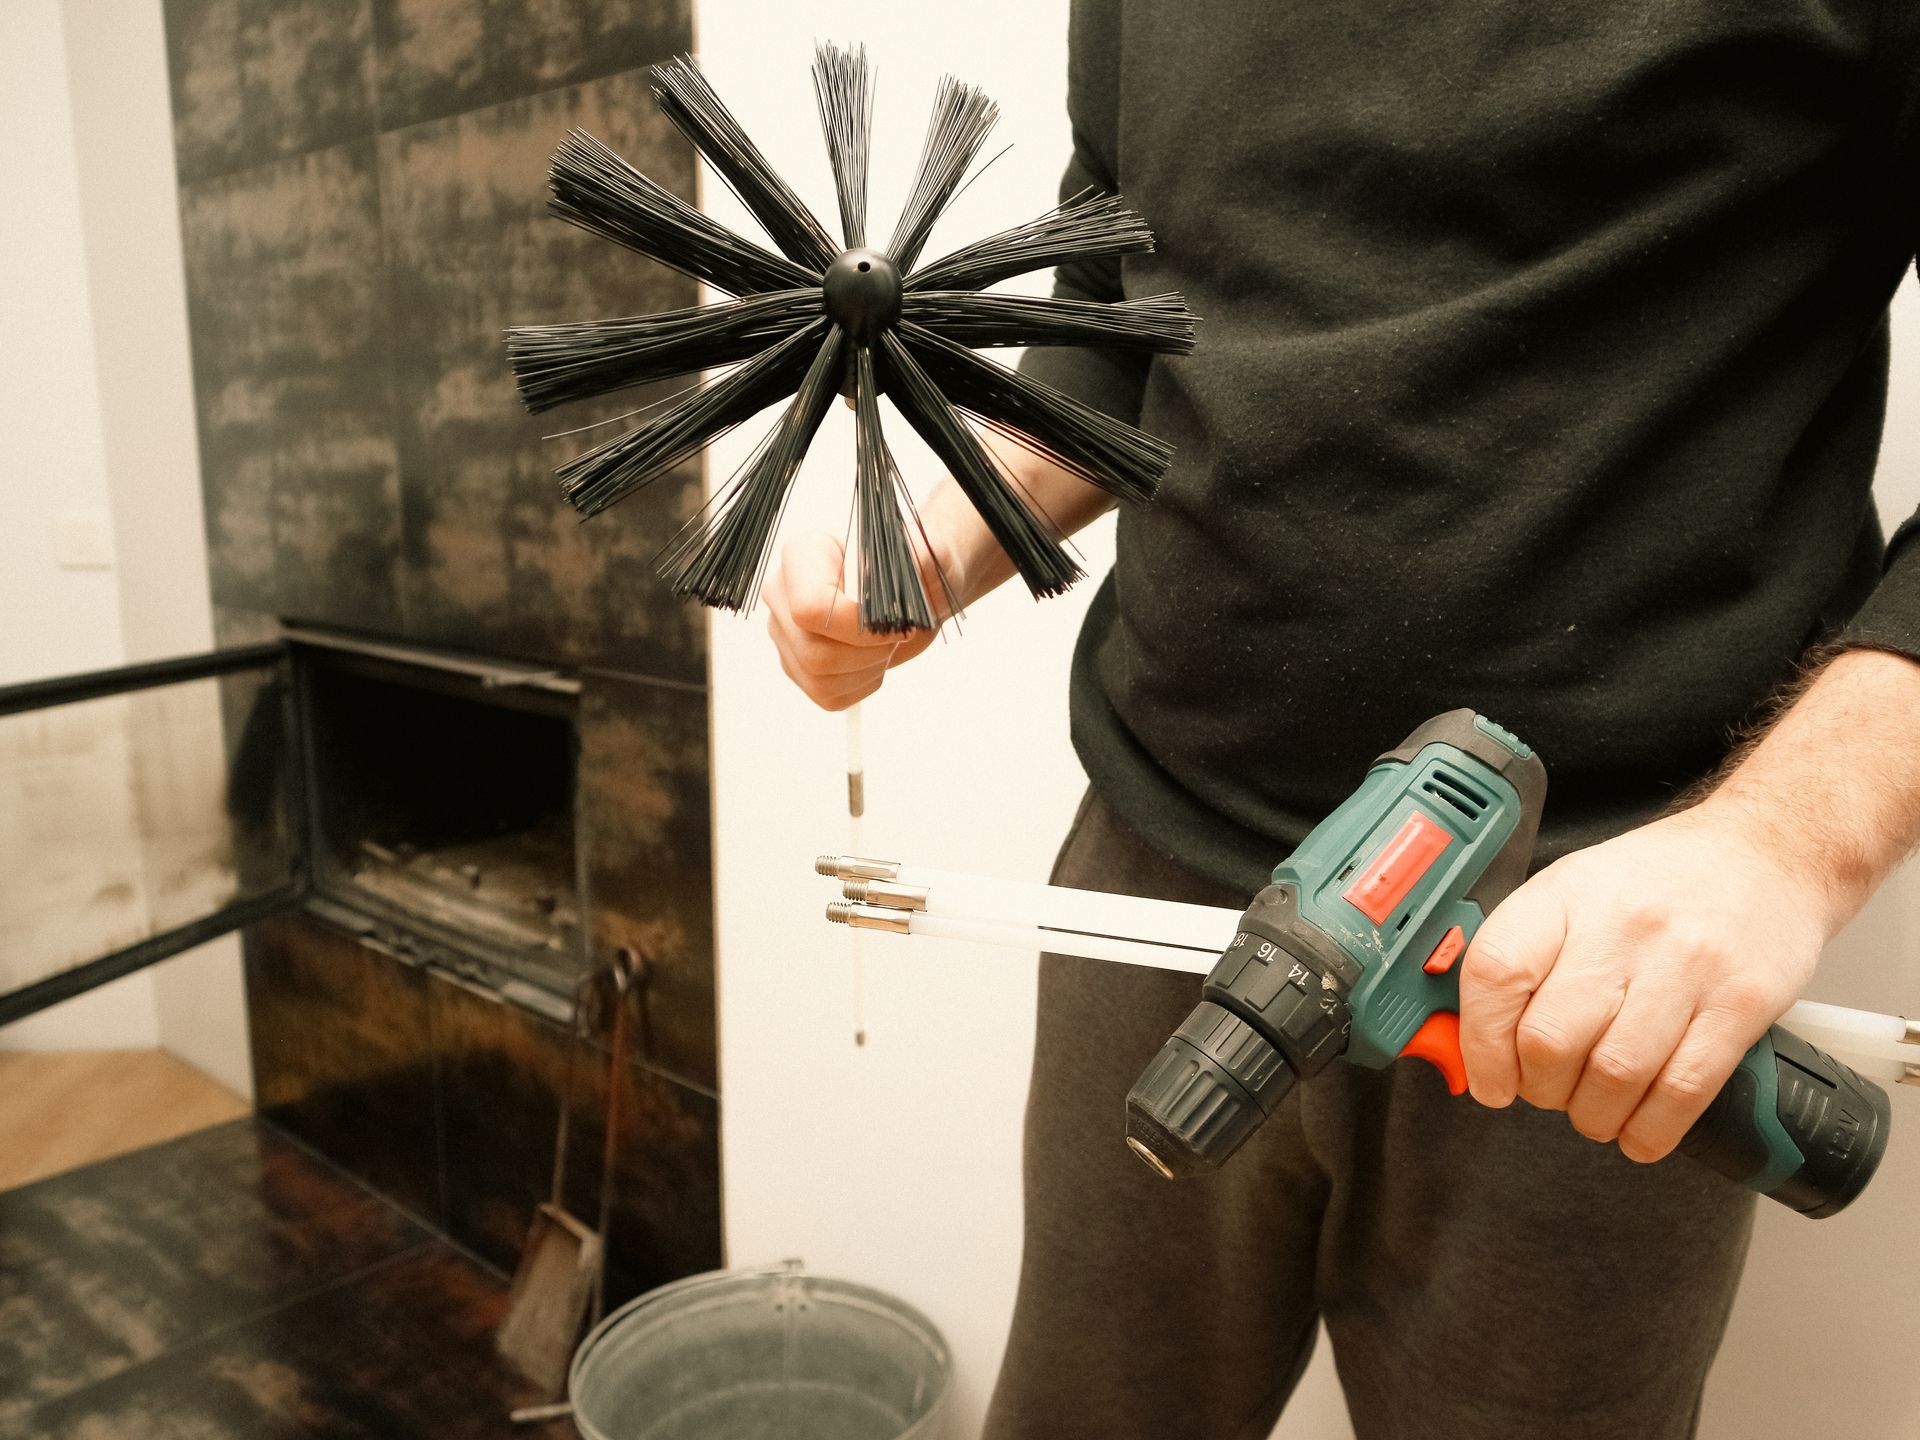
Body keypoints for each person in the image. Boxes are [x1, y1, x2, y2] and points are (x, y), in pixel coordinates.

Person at [764, 3, 1920, 1436]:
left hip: (1599, 953)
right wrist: (938, 546)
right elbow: (1122, 304)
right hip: (1159, 868)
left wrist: (1781, 850)